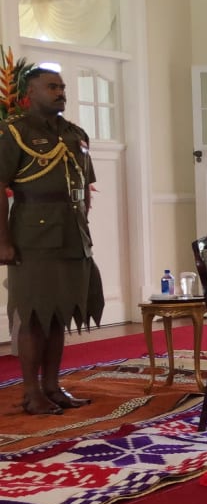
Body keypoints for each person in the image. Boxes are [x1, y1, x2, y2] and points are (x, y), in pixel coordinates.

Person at [0, 68, 104, 415]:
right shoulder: (13, 131)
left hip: (72, 236)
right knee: (32, 314)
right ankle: (31, 393)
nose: (60, 92)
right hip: (33, 236)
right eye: (52, 86)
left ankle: (52, 386)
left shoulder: (75, 134)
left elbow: (84, 188)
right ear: (30, 92)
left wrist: (83, 226)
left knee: (58, 312)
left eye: (62, 86)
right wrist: (3, 242)